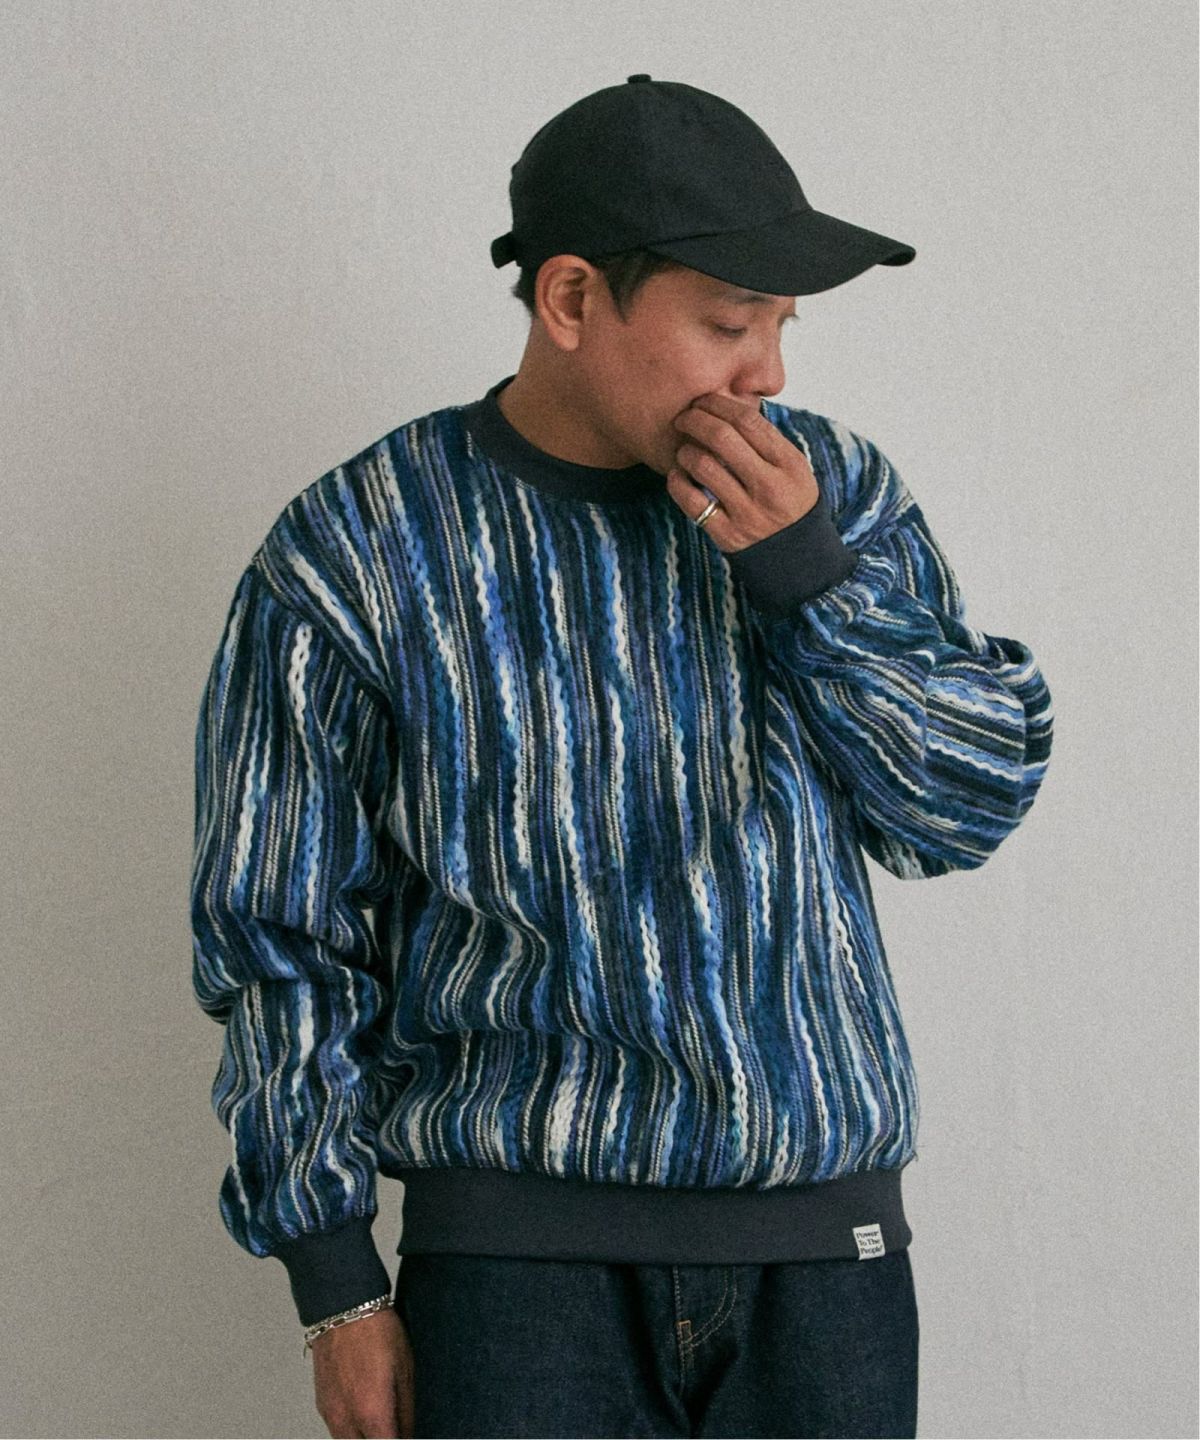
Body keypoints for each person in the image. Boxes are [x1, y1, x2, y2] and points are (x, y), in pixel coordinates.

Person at [190, 74, 1054, 1439]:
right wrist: (336, 1288)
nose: (769, 374)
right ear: (572, 299)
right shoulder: (355, 552)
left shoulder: (832, 503)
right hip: (516, 1280)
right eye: (729, 323)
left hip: (826, 1276)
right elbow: (277, 939)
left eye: (781, 325)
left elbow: (963, 807)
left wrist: (808, 584)